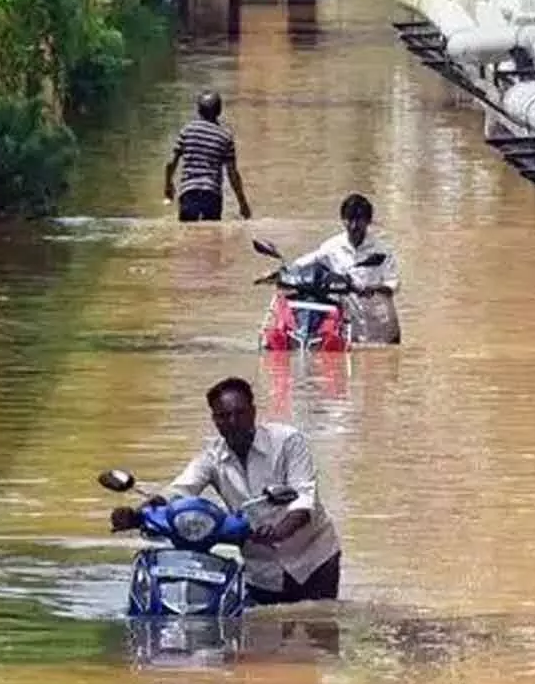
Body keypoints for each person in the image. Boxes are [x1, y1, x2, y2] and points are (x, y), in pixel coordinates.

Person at [113, 376, 341, 605]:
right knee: (261, 635)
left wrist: (280, 531)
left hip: (313, 559)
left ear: (253, 412)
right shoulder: (212, 458)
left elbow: (303, 497)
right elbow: (179, 491)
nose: (233, 422)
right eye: (223, 416)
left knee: (318, 627)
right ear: (214, 420)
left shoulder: (288, 441)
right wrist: (137, 515)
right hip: (261, 568)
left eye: (239, 413)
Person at [288, 192, 401, 344]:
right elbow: (304, 263)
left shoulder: (382, 250)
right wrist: (280, 272)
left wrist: (372, 288)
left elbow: (393, 283)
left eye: (359, 220)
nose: (354, 226)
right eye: (349, 219)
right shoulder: (332, 247)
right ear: (342, 220)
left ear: (368, 221)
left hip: (382, 326)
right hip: (350, 328)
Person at [164, 90, 252, 222]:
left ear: (198, 110)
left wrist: (168, 185)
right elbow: (232, 174)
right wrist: (242, 203)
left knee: (187, 235)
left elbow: (171, 163)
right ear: (219, 111)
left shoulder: (187, 130)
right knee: (211, 237)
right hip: (212, 195)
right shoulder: (225, 136)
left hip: (189, 192)